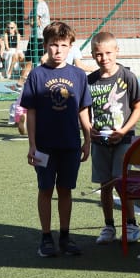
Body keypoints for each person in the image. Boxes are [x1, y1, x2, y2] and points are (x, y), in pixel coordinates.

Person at [20, 20, 92, 258]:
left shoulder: (78, 75)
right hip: (44, 146)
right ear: (45, 45)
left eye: (63, 45)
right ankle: (46, 237)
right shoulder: (36, 75)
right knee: (45, 189)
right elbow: (31, 112)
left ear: (70, 47)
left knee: (65, 190)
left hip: (70, 145)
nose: (58, 50)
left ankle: (65, 235)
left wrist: (87, 139)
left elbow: (83, 109)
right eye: (53, 44)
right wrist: (32, 144)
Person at [86, 30, 140, 245]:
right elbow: (83, 111)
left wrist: (124, 130)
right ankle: (109, 226)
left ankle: (131, 225)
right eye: (99, 54)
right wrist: (88, 128)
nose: (104, 58)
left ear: (117, 51)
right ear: (93, 55)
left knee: (123, 183)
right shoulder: (90, 80)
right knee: (105, 185)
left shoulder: (127, 77)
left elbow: (138, 107)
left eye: (108, 53)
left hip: (124, 140)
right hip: (99, 142)